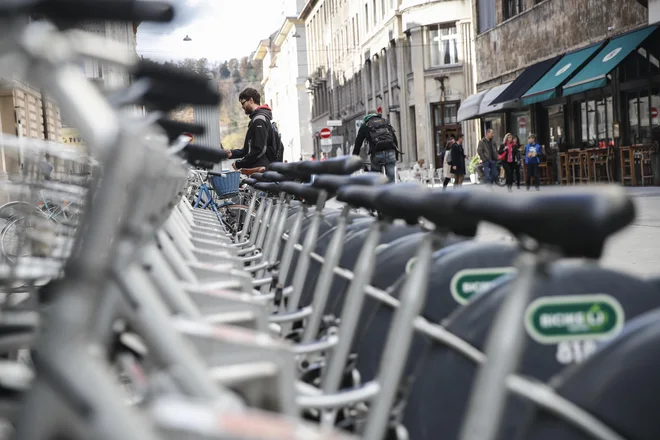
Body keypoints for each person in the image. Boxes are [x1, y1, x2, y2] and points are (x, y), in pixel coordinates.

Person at [226, 88, 273, 170]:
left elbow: (259, 150)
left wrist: (240, 164)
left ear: (251, 100)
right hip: (259, 169)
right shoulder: (256, 119)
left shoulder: (259, 120)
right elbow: (247, 150)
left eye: (243, 103)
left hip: (261, 171)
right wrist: (232, 153)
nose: (242, 107)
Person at [352, 109, 400, 183]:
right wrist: (396, 154)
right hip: (391, 152)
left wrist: (354, 157)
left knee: (374, 177)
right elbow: (394, 138)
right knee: (391, 179)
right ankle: (391, 192)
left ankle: (377, 191)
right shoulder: (385, 122)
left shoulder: (365, 125)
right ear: (377, 114)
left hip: (377, 154)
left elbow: (358, 143)